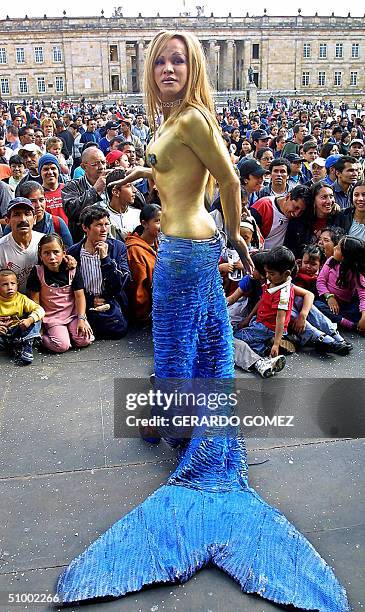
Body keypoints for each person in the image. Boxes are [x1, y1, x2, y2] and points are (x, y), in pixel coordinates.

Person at [58, 32, 348, 611]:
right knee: (206, 343)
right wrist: (139, 175)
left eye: (178, 61)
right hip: (184, 246)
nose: (168, 67)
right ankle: (184, 421)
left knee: (173, 348)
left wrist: (239, 233)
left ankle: (176, 429)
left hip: (186, 253)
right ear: (150, 68)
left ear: (192, 70)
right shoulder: (177, 119)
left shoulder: (190, 118)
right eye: (161, 60)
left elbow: (232, 179)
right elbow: (178, 169)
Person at [67, 205, 130, 339]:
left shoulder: (118, 248)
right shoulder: (74, 252)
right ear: (85, 228)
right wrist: (90, 300)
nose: (104, 229)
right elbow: (70, 286)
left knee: (118, 330)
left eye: (106, 224)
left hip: (110, 301)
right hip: (84, 304)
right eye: (98, 225)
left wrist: (105, 259)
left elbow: (121, 283)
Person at [27, 234, 93, 353]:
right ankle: (41, 338)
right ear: (40, 256)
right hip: (52, 317)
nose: (52, 257)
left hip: (72, 314)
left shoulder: (72, 269)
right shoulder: (37, 272)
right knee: (61, 346)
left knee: (85, 340)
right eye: (46, 253)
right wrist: (39, 326)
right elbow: (35, 302)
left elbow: (79, 296)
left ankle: (68, 334)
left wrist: (81, 318)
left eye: (56, 252)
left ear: (64, 253)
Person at [315, 235, 365, 332]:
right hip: (327, 301)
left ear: (345, 256)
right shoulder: (331, 261)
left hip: (345, 305)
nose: (334, 248)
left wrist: (364, 317)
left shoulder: (356, 272)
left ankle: (346, 321)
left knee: (358, 309)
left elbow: (363, 295)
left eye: (338, 248)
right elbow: (320, 282)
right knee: (317, 305)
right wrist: (330, 297)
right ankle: (349, 325)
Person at [61, 147, 108, 241]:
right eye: (95, 164)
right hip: (84, 240)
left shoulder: (112, 183)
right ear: (83, 167)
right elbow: (72, 211)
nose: (101, 167)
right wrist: (94, 191)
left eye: (103, 162)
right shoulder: (72, 186)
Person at [0, 268, 44, 365]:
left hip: (18, 331)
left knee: (36, 320)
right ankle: (16, 346)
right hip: (3, 334)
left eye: (13, 283)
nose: (10, 287)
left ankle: (27, 344)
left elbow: (40, 310)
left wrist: (29, 320)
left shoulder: (22, 298)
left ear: (18, 285)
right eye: (5, 284)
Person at [125, 204, 160, 323]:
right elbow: (139, 287)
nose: (163, 226)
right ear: (144, 224)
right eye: (157, 221)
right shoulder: (135, 250)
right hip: (147, 312)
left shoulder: (160, 243)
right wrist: (144, 314)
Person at [0, 197, 44, 292]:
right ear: (7, 221)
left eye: (27, 214)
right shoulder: (1, 248)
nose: (23, 219)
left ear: (35, 219)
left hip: (42, 302)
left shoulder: (44, 242)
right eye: (17, 215)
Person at [250, 184, 311, 249]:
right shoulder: (264, 206)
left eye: (301, 211)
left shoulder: (299, 218)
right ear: (288, 197)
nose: (297, 214)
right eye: (296, 207)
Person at [105, 169, 140, 240]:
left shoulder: (139, 215)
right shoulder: (102, 218)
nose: (135, 190)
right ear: (115, 192)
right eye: (129, 186)